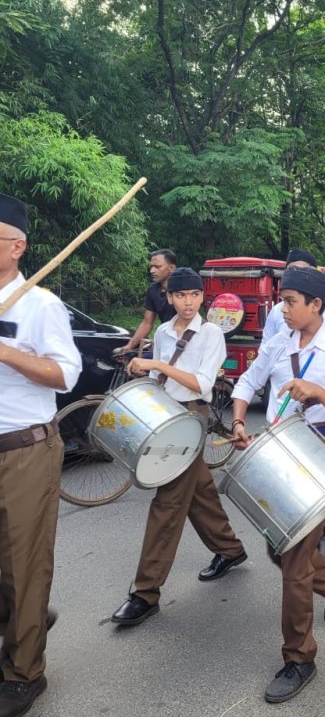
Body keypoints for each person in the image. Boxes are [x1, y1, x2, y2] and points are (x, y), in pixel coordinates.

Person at [231, 266, 325, 703]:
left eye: (290, 301)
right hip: (274, 455)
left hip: (314, 460)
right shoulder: (276, 344)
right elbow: (247, 383)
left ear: (316, 305)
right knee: (279, 549)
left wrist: (321, 394)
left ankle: (299, 658)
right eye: (281, 300)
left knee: (291, 561)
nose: (282, 309)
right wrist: (237, 418)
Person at [110, 268, 247, 627]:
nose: (188, 302)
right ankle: (230, 549)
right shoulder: (162, 332)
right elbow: (163, 378)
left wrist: (156, 363)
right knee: (198, 488)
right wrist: (148, 372)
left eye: (194, 295)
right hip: (166, 415)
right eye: (180, 295)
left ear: (203, 297)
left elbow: (202, 384)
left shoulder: (212, 333)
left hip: (191, 418)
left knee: (168, 501)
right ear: (169, 298)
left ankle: (145, 592)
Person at [0, 194, 82, 717]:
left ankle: (25, 672)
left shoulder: (39, 304)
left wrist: (3, 349)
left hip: (25, 450)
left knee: (23, 563)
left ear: (16, 246)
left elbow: (66, 374)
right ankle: (26, 623)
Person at [116, 249, 177, 354]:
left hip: (186, 339)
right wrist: (129, 346)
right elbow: (147, 323)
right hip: (166, 339)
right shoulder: (153, 290)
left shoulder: (184, 288)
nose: (152, 271)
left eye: (157, 267)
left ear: (171, 268)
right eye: (151, 266)